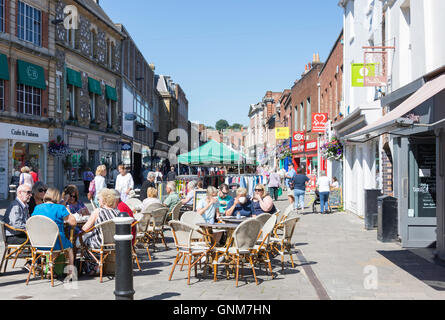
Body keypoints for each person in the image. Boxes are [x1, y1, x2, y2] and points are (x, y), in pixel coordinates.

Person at [32, 188, 77, 270]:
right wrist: (67, 210)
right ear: (57, 197)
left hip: (39, 242)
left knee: (54, 248)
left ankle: (49, 270)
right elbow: (73, 223)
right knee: (70, 248)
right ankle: (70, 272)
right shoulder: (60, 208)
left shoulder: (37, 208)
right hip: (56, 242)